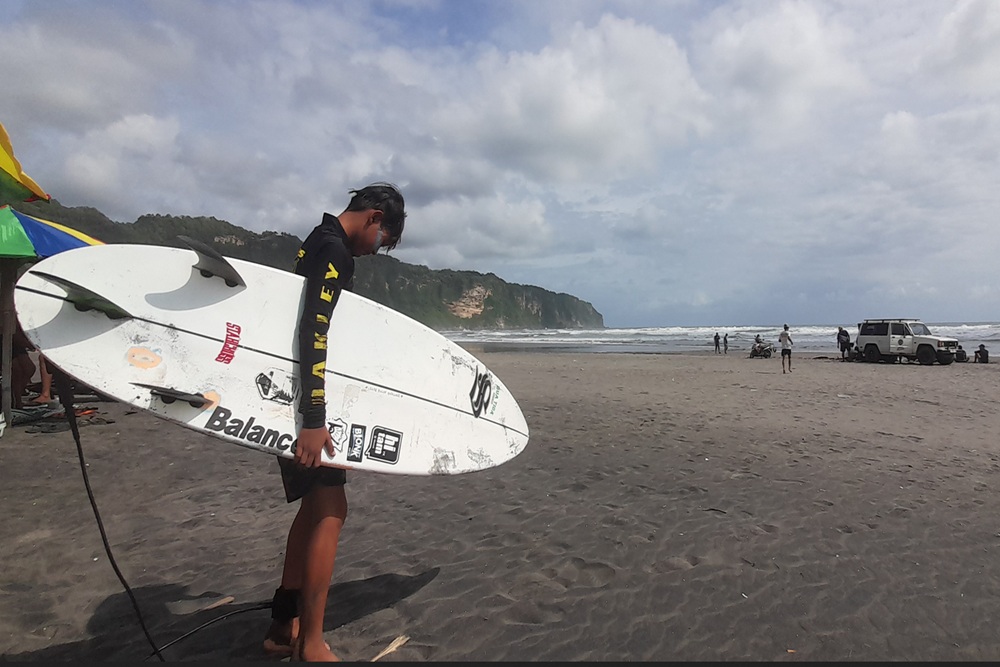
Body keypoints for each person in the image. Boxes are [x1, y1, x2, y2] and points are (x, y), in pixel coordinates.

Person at [262, 183, 406, 662]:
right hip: (303, 404)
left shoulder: (318, 238)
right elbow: (314, 330)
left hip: (292, 396)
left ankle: (285, 624)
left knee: (313, 508)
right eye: (383, 237)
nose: (377, 248)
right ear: (374, 216)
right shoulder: (333, 250)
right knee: (330, 512)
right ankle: (311, 642)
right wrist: (313, 419)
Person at [1, 319, 37, 409]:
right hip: (6, 336)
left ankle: (15, 396)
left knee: (29, 368)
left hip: (15, 338)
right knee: (16, 370)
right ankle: (15, 401)